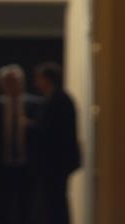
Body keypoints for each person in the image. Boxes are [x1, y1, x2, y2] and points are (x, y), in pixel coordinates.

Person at [0, 64, 40, 224]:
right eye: (9, 81)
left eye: (16, 80)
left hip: (27, 166)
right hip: (1, 166)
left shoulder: (37, 105)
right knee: (1, 209)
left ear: (23, 82)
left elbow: (44, 136)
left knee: (26, 208)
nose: (13, 85)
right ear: (2, 84)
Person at [31, 62, 80, 224]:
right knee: (54, 201)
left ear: (47, 79)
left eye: (39, 78)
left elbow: (53, 131)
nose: (36, 82)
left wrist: (31, 126)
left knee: (55, 201)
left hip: (56, 162)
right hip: (56, 162)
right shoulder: (57, 99)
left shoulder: (59, 100)